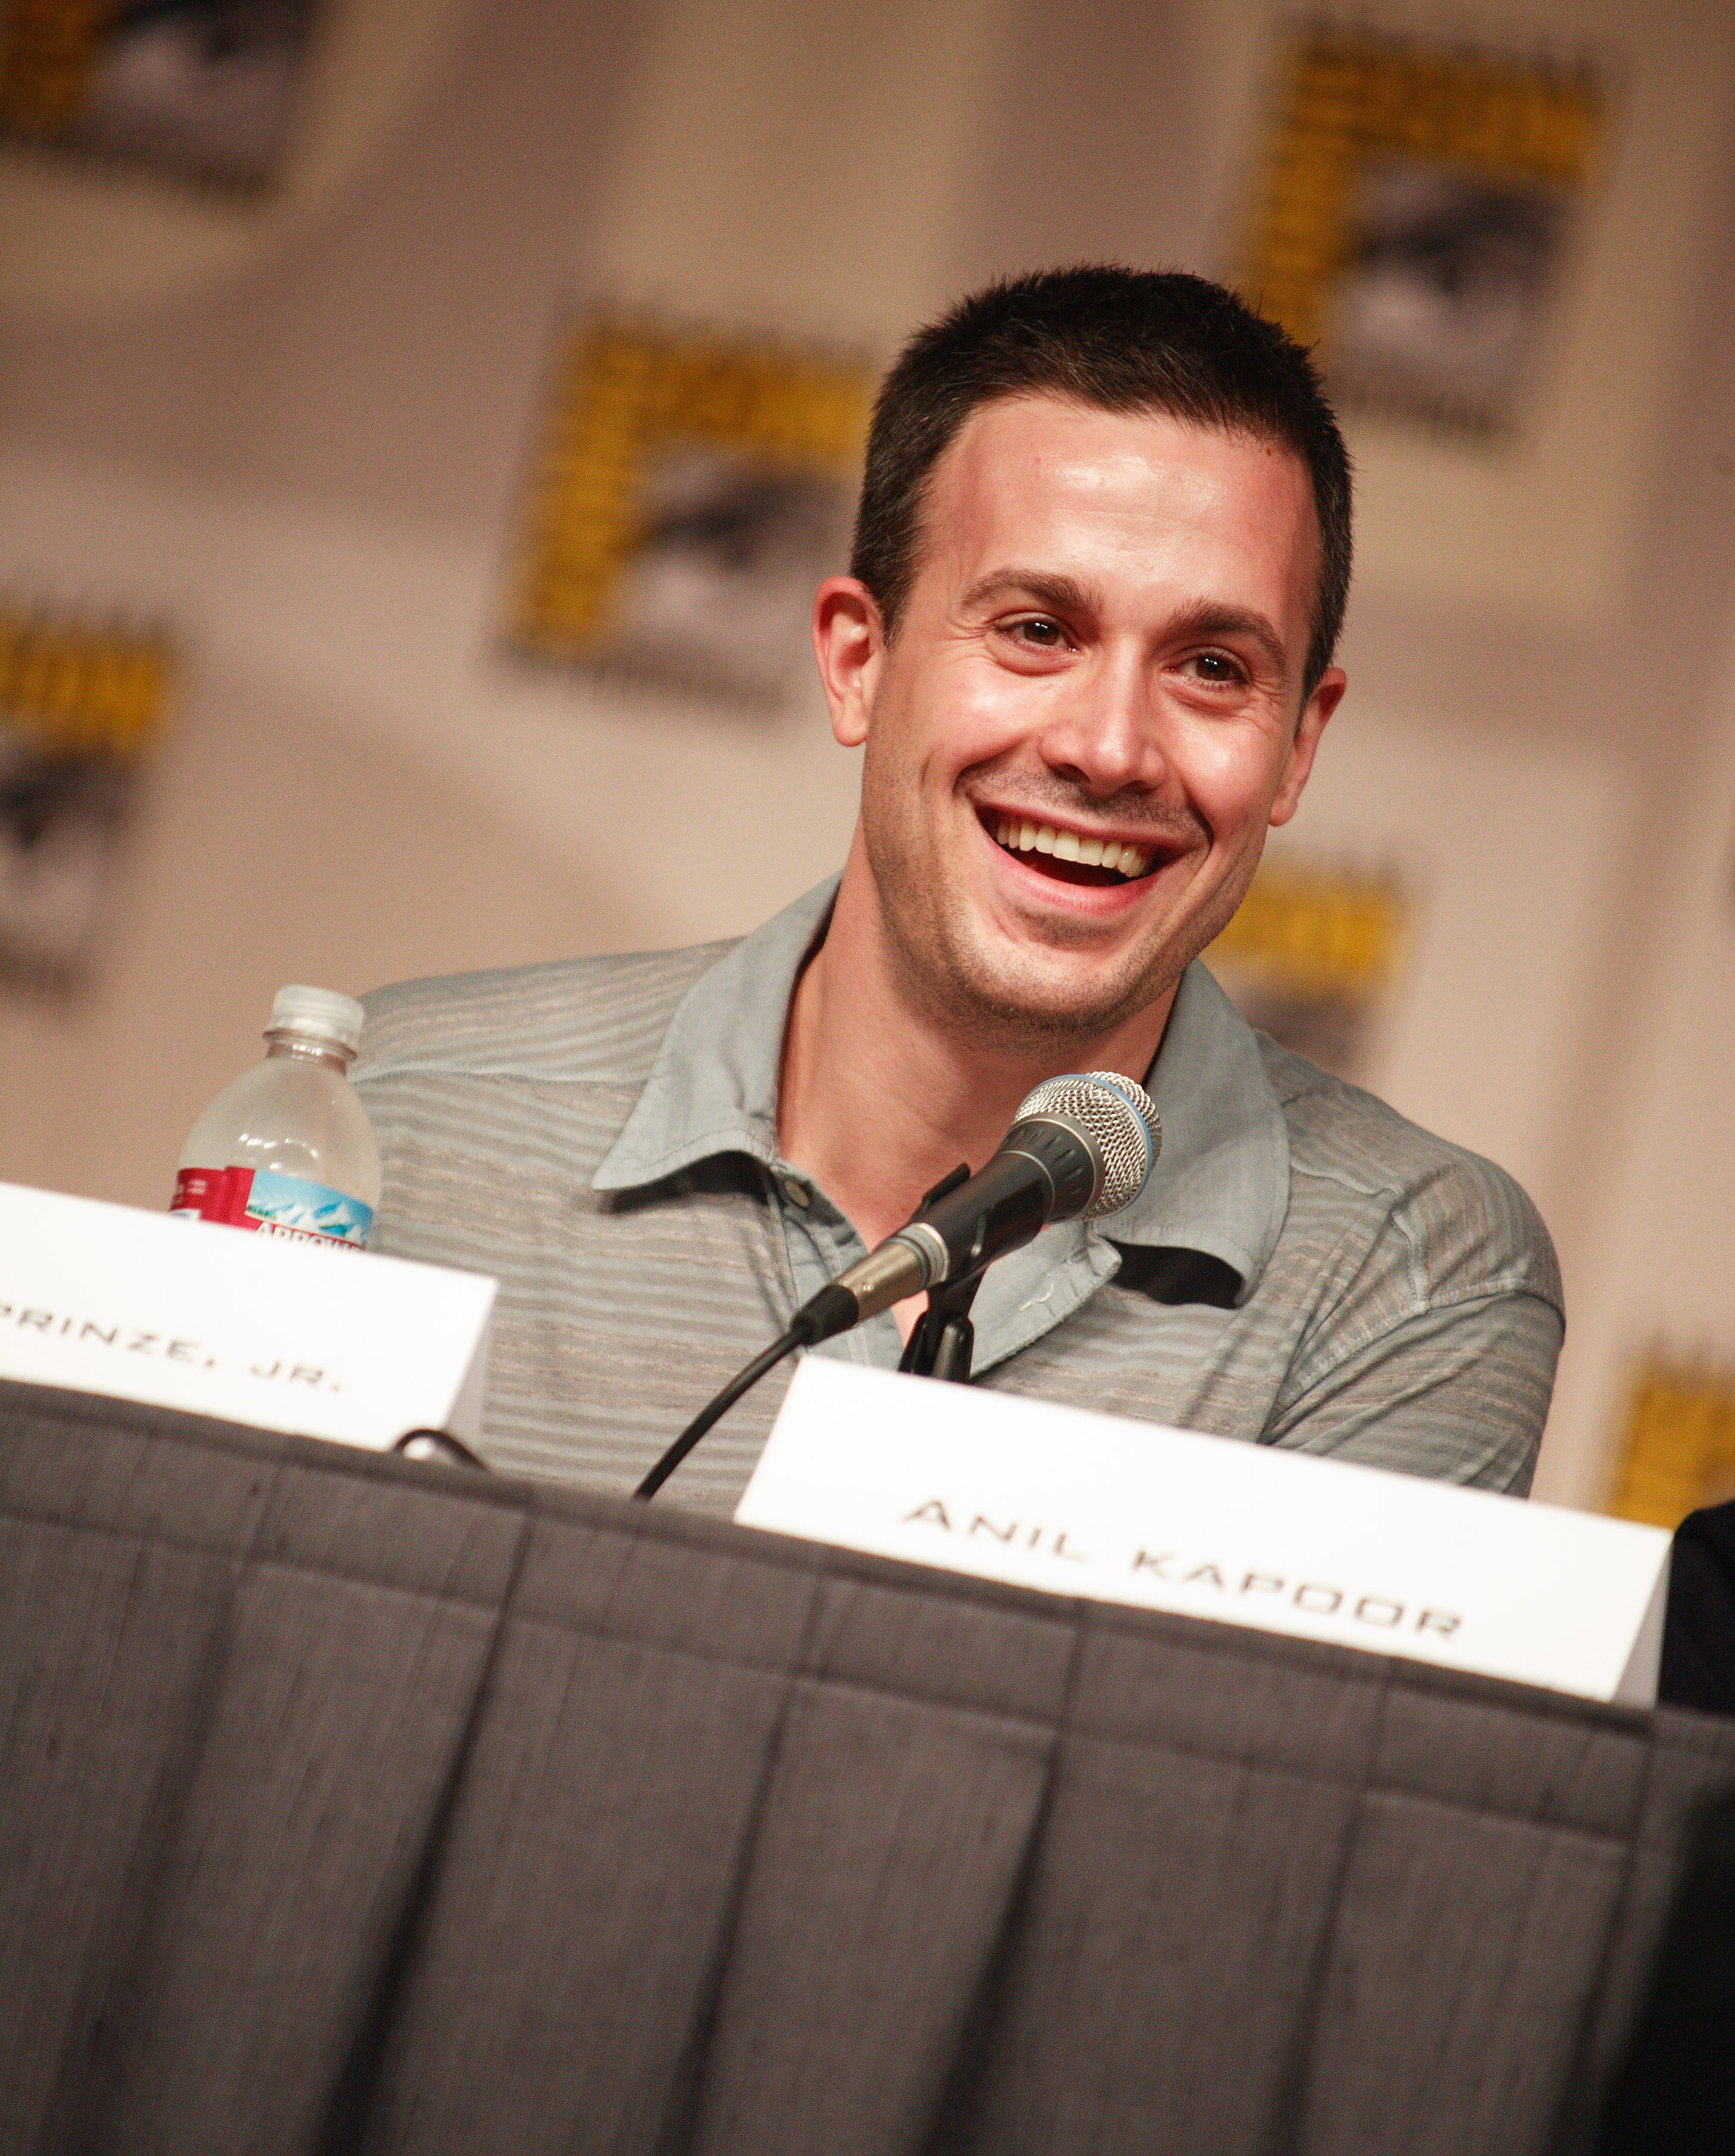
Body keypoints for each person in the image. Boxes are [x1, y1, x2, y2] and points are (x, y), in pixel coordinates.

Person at [356, 267, 1562, 1511]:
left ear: (1298, 747)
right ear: (856, 662)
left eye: (1210, 666)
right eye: (1037, 630)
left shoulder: (1411, 1282)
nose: (1107, 748)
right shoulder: (405, 1117)